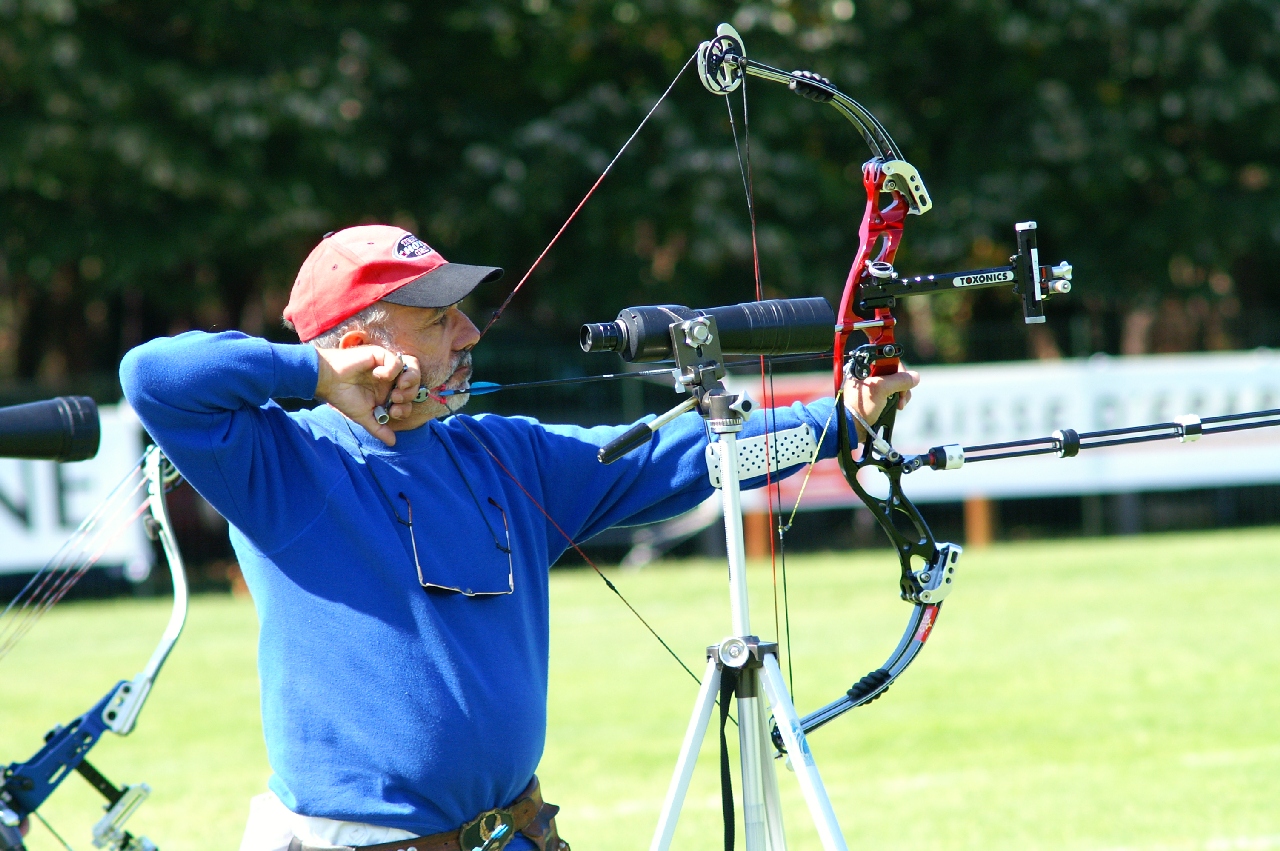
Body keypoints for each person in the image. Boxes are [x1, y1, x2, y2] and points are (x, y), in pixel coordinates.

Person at [119, 224, 919, 851]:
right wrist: (317, 376)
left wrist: (839, 418)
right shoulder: (281, 464)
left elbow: (687, 459)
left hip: (517, 830)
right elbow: (151, 376)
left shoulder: (502, 451)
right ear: (359, 342)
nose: (468, 333)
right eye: (438, 319)